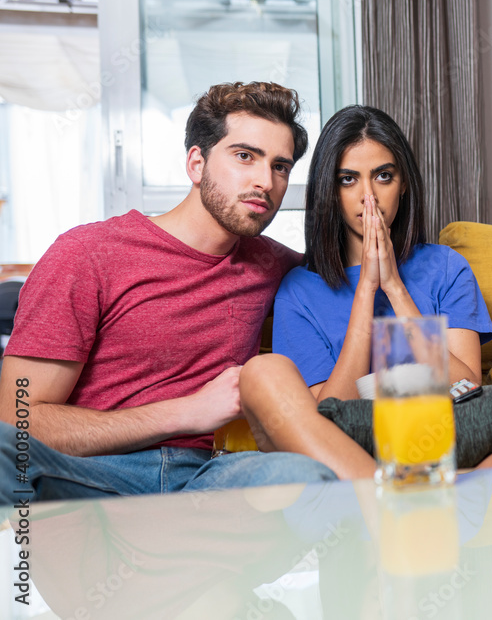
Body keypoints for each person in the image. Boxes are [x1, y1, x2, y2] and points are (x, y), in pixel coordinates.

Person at [0, 81, 339, 506]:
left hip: (206, 480)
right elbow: (18, 419)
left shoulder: (276, 265)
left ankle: (176, 543)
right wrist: (187, 411)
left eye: (281, 166)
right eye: (244, 156)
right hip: (91, 478)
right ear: (196, 163)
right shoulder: (87, 253)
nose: (265, 181)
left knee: (304, 475)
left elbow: (351, 274)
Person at [238, 105, 492, 478]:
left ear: (404, 184)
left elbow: (465, 388)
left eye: (383, 176)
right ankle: (382, 496)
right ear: (329, 191)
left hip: (443, 450)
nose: (369, 197)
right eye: (348, 180)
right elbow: (328, 419)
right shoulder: (299, 291)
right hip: (350, 465)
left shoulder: (446, 267)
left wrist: (395, 288)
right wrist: (366, 291)